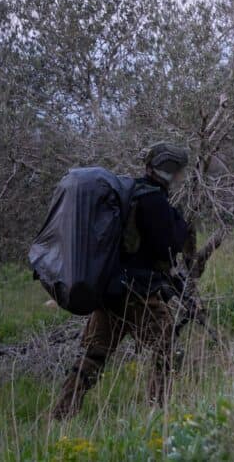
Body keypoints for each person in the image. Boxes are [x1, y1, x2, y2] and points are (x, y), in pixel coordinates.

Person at [51, 142, 192, 419]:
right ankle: (158, 411)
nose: (180, 176)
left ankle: (61, 415)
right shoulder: (154, 201)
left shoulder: (132, 193)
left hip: (110, 290)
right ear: (169, 169)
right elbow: (166, 246)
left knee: (93, 355)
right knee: (169, 347)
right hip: (137, 293)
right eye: (178, 170)